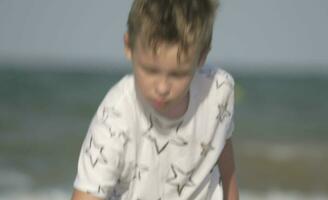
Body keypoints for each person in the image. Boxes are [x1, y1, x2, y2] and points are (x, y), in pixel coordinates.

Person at [71, 0, 239, 199]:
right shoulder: (116, 117)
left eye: (178, 74)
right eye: (150, 70)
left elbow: (227, 173)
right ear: (129, 46)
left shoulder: (218, 91)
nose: (162, 87)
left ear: (201, 57)